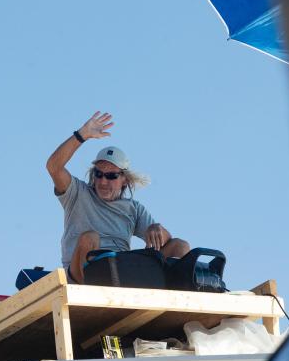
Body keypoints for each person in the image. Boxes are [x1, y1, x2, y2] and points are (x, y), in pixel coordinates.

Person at [46, 111, 190, 283]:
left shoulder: (133, 208)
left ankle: (174, 303)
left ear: (124, 180)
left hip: (120, 272)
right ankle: (92, 293)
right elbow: (53, 167)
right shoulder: (77, 193)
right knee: (90, 238)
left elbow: (165, 241)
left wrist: (158, 229)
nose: (103, 181)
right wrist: (81, 135)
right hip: (81, 275)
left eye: (111, 176)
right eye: (99, 174)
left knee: (181, 246)